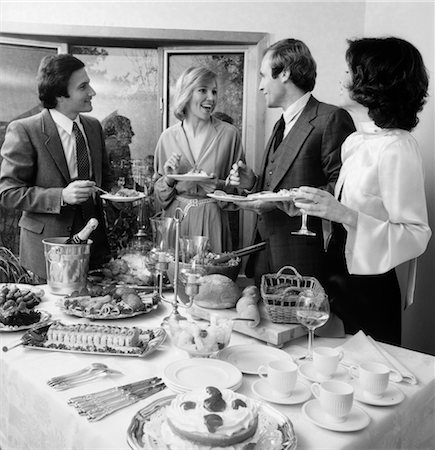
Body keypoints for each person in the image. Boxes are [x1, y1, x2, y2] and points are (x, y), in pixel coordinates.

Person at [290, 37, 431, 345]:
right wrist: (313, 206)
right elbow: (345, 217)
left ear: (375, 81)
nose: (343, 79)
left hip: (370, 289)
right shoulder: (356, 141)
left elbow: (415, 233)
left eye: (351, 71)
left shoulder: (398, 148)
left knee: (369, 383)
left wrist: (342, 213)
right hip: (337, 278)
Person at [229, 38, 355, 286]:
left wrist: (284, 202)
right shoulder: (280, 124)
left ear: (284, 73)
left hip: (304, 261)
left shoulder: (331, 118)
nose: (261, 86)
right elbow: (275, 185)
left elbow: (343, 190)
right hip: (266, 257)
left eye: (264, 76)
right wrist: (252, 182)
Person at [0, 54, 113, 280]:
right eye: (83, 86)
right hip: (48, 252)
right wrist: (61, 196)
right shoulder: (25, 130)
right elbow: (8, 193)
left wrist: (118, 199)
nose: (92, 92)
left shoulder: (93, 127)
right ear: (60, 94)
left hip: (94, 248)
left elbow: (105, 181)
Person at [154, 66, 244, 253]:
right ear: (186, 94)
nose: (211, 98)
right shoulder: (167, 138)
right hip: (177, 221)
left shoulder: (230, 135)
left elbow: (240, 194)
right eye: (203, 90)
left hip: (214, 220)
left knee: (214, 280)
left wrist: (218, 187)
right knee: (174, 276)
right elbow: (157, 200)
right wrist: (170, 179)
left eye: (214, 91)